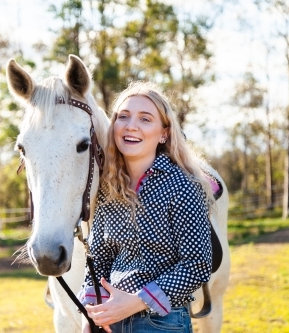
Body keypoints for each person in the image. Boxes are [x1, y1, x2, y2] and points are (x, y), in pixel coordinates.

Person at [78, 81, 215, 333]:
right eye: (123, 116)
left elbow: (197, 265)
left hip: (162, 323)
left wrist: (136, 302)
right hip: (112, 321)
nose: (131, 125)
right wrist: (93, 312)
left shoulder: (182, 185)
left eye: (145, 119)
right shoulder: (110, 188)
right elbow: (99, 258)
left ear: (164, 133)